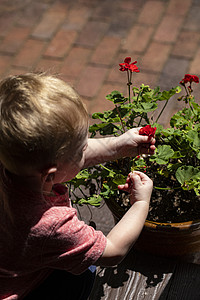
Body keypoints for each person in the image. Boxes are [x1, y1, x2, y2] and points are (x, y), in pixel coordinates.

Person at [0, 73, 155, 300]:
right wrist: (141, 203)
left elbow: (64, 157)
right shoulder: (50, 224)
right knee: (84, 273)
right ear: (49, 176)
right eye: (82, 149)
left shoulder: (11, 160)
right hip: (24, 290)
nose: (86, 149)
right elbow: (112, 251)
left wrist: (116, 146)